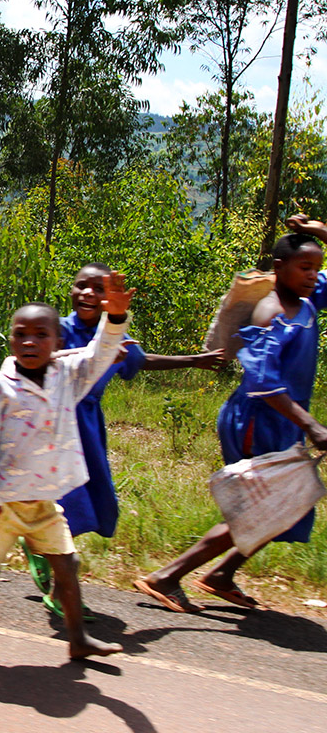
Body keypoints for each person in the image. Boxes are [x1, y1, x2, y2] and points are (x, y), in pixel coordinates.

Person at [0, 273, 134, 663]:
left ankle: (77, 639)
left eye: (41, 334)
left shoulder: (68, 377)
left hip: (44, 501)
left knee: (67, 566)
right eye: (21, 334)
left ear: (58, 342)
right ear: (10, 340)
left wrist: (116, 316)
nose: (30, 341)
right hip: (4, 504)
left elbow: (102, 352)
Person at [135, 221, 327, 612]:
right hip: (254, 419)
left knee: (292, 504)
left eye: (316, 268)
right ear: (278, 268)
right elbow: (265, 385)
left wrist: (322, 231)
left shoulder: (307, 301)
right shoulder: (272, 315)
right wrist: (313, 425)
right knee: (259, 506)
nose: (312, 275)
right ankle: (167, 576)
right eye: (304, 268)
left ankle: (221, 574)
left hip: (284, 422)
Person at [22, 263, 225, 617]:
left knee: (93, 506)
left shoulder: (112, 333)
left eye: (98, 289)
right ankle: (61, 590)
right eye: (81, 286)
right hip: (54, 426)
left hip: (87, 427)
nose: (88, 293)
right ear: (71, 291)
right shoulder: (57, 330)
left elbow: (141, 360)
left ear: (109, 299)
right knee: (69, 507)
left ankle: (36, 545)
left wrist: (196, 360)